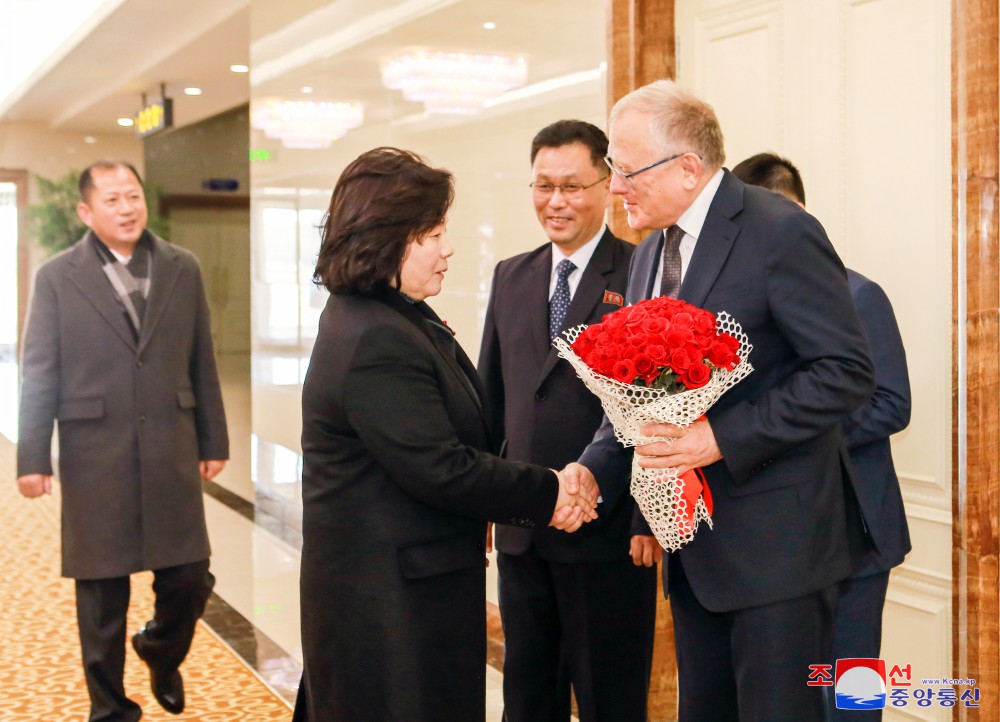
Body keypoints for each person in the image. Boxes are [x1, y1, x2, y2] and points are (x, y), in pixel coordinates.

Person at [577, 80, 877, 721]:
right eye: (612, 168)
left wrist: (723, 438)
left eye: (626, 171)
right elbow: (643, 395)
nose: (616, 188)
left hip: (780, 551)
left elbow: (846, 372)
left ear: (688, 167)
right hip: (692, 543)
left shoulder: (780, 231)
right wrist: (617, 487)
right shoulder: (648, 249)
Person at [292, 147, 601, 722]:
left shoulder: (393, 314)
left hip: (410, 593)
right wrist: (553, 492)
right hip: (389, 613)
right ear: (388, 238)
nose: (448, 247)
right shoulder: (374, 337)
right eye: (432, 232)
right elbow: (441, 467)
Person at [17, 160, 229, 721]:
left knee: (188, 576)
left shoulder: (182, 267)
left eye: (132, 196)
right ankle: (110, 710)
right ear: (87, 211)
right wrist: (32, 456)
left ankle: (161, 649)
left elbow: (200, 359)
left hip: (171, 447)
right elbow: (38, 370)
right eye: (111, 200)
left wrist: (215, 438)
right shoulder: (57, 277)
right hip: (95, 453)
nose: (127, 207)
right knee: (102, 597)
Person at [478, 119, 656, 722]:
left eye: (573, 186)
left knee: (612, 696)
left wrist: (645, 517)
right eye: (543, 185)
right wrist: (484, 502)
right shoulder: (512, 274)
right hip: (523, 527)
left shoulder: (641, 273)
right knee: (527, 696)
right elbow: (492, 397)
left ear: (607, 184)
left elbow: (657, 408)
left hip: (608, 536)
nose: (556, 202)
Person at [732, 152, 912, 721]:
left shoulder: (859, 294)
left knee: (853, 696)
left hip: (858, 530)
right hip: (786, 537)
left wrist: (794, 432)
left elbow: (891, 403)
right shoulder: (746, 303)